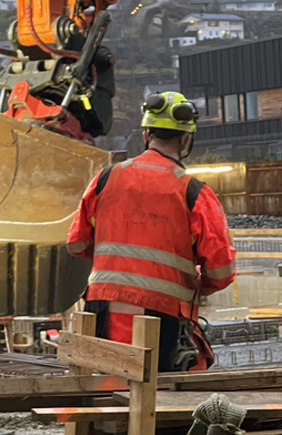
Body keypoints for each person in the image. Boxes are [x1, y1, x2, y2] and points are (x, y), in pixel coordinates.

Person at [67, 91, 236, 372]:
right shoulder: (194, 191)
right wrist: (192, 285)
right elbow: (221, 271)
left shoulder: (106, 177)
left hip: (102, 305)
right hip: (163, 312)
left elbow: (76, 243)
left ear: (146, 134)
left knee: (107, 387)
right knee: (157, 398)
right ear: (186, 140)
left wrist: (115, 267)